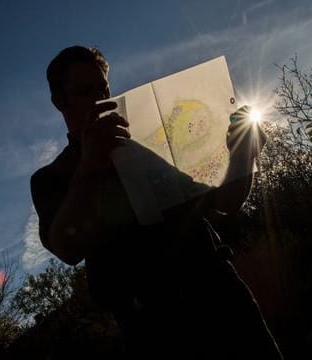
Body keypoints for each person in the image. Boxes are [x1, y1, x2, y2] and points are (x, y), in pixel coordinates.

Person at [30, 45, 283, 359]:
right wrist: (90, 165)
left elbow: (226, 201)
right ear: (59, 102)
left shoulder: (154, 141)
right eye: (84, 92)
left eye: (104, 88)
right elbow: (67, 248)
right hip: (151, 327)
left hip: (222, 299)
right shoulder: (52, 177)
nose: (100, 100)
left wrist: (243, 151)